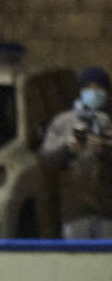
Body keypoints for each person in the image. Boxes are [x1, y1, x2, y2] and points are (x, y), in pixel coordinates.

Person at [39, 66, 112, 239]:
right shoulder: (63, 122)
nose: (93, 93)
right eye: (88, 88)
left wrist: (103, 150)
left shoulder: (109, 122)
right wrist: (68, 150)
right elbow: (47, 160)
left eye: (98, 88)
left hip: (108, 211)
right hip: (74, 210)